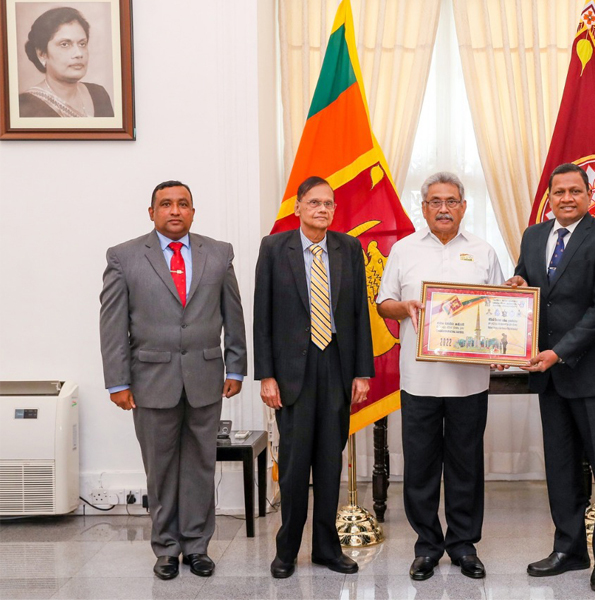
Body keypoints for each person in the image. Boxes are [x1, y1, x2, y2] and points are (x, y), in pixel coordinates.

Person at [99, 181, 247, 580]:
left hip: (205, 376)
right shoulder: (125, 257)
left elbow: (233, 313)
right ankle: (166, 548)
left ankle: (197, 547)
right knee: (160, 469)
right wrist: (118, 382)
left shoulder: (218, 254)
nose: (175, 211)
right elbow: (112, 325)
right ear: (152, 212)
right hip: (150, 380)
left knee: (201, 465)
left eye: (183, 204)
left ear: (193, 212)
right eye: (166, 204)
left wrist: (236, 367)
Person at [506, 163, 595, 593]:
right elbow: (529, 284)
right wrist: (517, 283)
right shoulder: (534, 236)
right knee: (560, 468)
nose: (566, 198)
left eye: (575, 191)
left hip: (593, 374)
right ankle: (569, 549)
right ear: (550, 197)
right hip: (550, 378)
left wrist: (559, 352)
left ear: (588, 195)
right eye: (559, 192)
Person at [376, 172, 504, 581]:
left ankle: (464, 546)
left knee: (466, 465)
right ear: (424, 206)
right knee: (421, 466)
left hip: (470, 381)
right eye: (435, 201)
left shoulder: (483, 252)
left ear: (464, 207)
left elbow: (501, 309)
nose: (444, 208)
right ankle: (427, 546)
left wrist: (504, 347)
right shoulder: (403, 250)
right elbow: (383, 304)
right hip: (419, 380)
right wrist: (405, 308)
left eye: (451, 201)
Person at [254, 176, 374, 578]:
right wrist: (266, 375)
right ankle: (286, 550)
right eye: (314, 203)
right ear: (298, 208)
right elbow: (262, 318)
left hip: (336, 367)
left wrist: (362, 371)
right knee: (292, 465)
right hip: (292, 373)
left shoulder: (349, 248)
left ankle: (326, 548)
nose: (322, 209)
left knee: (328, 463)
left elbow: (360, 313)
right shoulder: (274, 248)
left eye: (329, 204)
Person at [19, 7, 113, 118]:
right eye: (65, 44)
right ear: (42, 54)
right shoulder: (25, 107)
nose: (79, 53)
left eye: (82, 44)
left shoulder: (99, 95)